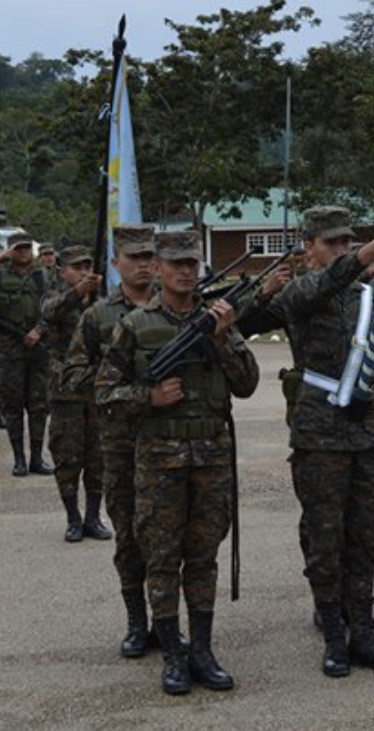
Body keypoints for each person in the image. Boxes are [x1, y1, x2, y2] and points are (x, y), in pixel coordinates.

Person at [237, 206, 374, 678]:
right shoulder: (300, 291)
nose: (341, 249)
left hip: (368, 431)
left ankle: (365, 632)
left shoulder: (372, 297)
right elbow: (312, 290)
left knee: (366, 534)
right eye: (330, 242)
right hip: (320, 433)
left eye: (346, 241)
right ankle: (334, 633)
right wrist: (368, 253)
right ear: (308, 247)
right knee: (325, 535)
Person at [96, 230, 259, 696]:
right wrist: (148, 397)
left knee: (203, 558)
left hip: (210, 458)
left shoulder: (219, 320)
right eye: (176, 264)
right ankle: (172, 655)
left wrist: (225, 338)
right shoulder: (135, 325)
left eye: (192, 263)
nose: (185, 271)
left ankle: (202, 652)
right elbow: (104, 394)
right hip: (159, 462)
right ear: (161, 270)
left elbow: (246, 384)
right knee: (163, 559)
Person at [63, 226, 159, 655]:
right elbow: (72, 375)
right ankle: (138, 625)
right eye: (133, 257)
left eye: (149, 256)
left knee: (170, 538)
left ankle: (169, 623)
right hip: (120, 444)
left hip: (171, 441)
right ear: (116, 262)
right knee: (129, 537)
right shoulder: (98, 316)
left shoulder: (175, 309)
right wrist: (121, 379)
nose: (143, 264)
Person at [42, 245, 110, 542]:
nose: (83, 271)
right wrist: (76, 294)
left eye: (87, 266)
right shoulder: (54, 296)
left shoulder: (100, 302)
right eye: (76, 267)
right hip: (66, 391)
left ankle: (94, 517)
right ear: (63, 271)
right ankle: (73, 517)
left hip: (96, 389)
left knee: (98, 457)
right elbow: (49, 312)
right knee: (67, 456)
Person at [0, 232, 52, 476]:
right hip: (8, 347)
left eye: (26, 248)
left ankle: (37, 458)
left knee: (39, 405)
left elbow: (53, 307)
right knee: (13, 405)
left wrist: (39, 330)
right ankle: (19, 458)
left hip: (37, 346)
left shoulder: (43, 273)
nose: (23, 253)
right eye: (18, 248)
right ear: (10, 250)